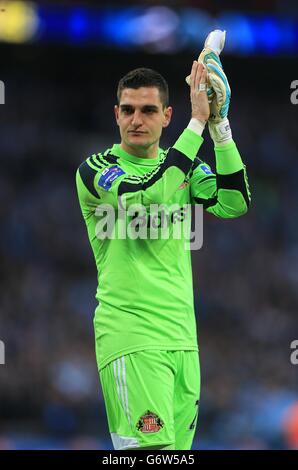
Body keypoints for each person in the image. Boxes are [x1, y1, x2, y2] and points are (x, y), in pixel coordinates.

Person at [76, 61, 250, 450]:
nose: (137, 119)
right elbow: (146, 197)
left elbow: (234, 203)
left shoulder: (185, 165)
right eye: (128, 109)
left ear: (166, 116)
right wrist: (196, 125)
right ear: (116, 114)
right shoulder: (97, 170)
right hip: (132, 336)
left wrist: (220, 126)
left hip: (184, 341)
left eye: (149, 110)